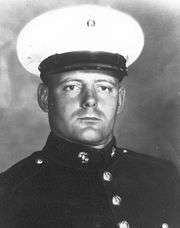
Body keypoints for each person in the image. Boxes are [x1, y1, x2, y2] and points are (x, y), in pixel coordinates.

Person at [0, 4, 179, 228]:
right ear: (45, 97)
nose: (91, 100)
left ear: (120, 100)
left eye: (104, 88)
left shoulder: (163, 179)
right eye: (72, 87)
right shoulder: (10, 193)